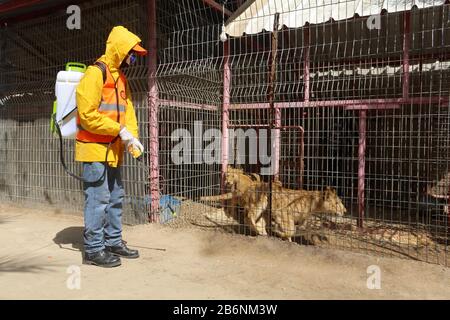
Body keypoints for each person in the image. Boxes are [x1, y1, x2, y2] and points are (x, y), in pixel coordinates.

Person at [75, 26, 147, 268]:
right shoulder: (95, 73)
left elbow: (128, 113)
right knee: (98, 199)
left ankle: (113, 241)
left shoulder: (120, 79)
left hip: (113, 150)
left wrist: (133, 140)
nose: (133, 58)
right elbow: (87, 115)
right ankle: (94, 249)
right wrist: (119, 131)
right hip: (94, 148)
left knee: (116, 197)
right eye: (131, 53)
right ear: (120, 50)